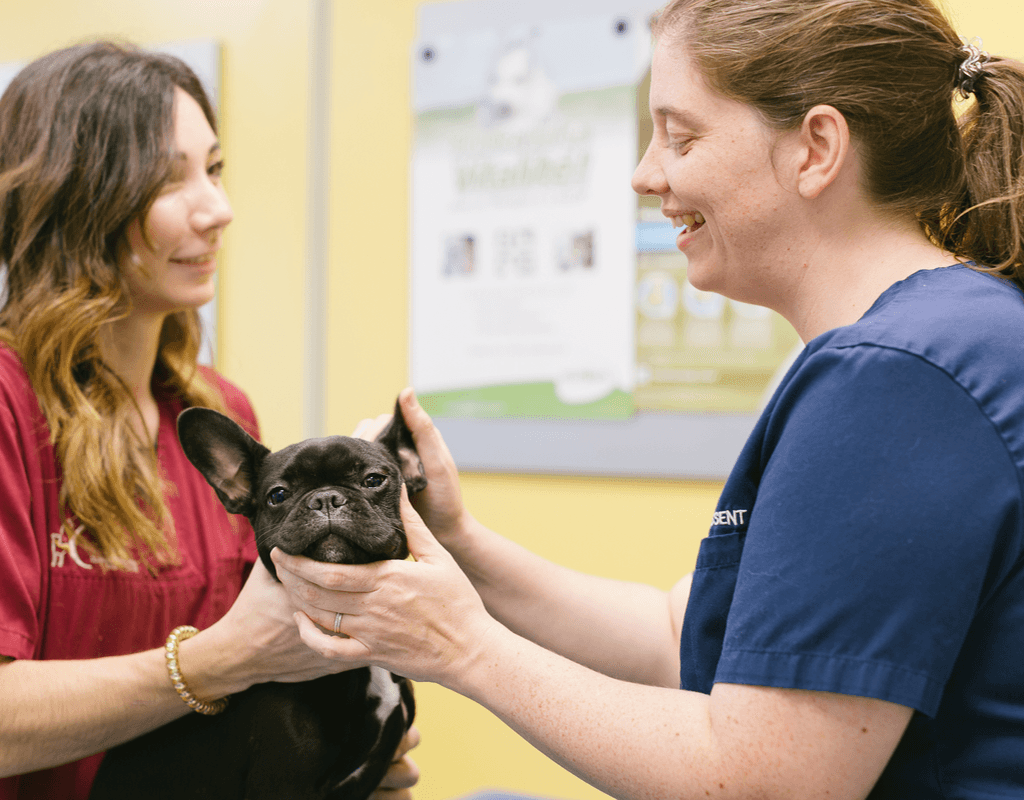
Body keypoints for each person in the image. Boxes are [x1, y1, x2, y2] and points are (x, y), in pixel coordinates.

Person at [272, 1, 1024, 797]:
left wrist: (461, 647)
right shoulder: (940, 338)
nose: (644, 173)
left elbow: (762, 783)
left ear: (816, 148)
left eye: (680, 135)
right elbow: (683, 636)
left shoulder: (896, 382)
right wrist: (455, 542)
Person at [0, 41, 418, 799]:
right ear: (74, 200)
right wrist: (220, 660)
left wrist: (343, 748)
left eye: (214, 170)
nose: (217, 209)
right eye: (168, 179)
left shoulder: (217, 415)